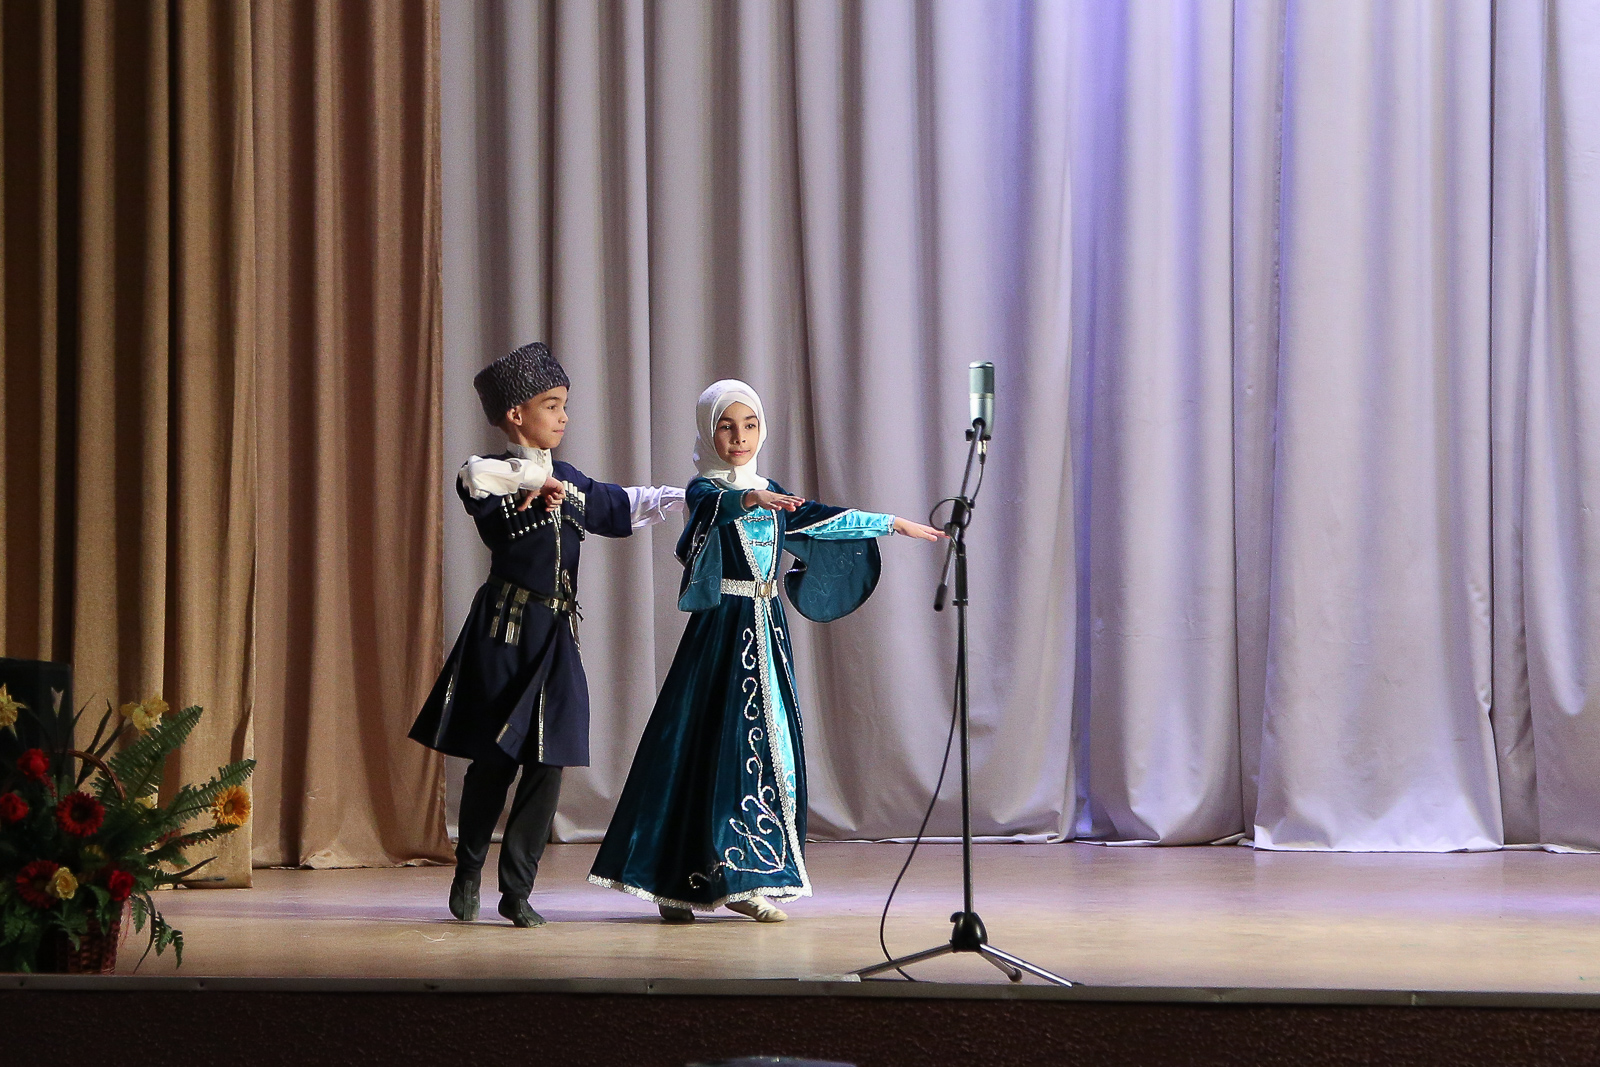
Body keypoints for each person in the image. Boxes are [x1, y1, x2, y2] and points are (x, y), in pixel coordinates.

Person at [588, 379, 943, 922]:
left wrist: (891, 524)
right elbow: (716, 507)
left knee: (763, 747)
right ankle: (678, 881)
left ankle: (745, 878)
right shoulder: (705, 490)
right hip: (720, 633)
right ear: (709, 433)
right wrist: (751, 498)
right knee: (702, 748)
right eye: (726, 427)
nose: (739, 437)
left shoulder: (772, 490)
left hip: (766, 628)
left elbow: (825, 518)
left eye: (749, 425)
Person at [410, 342, 683, 927]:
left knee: (548, 760)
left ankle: (516, 890)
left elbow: (623, 504)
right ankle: (468, 869)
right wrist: (538, 480)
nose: (563, 417)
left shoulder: (571, 480)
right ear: (516, 414)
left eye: (563, 405)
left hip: (556, 636)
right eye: (551, 405)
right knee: (495, 759)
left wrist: (702, 495)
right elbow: (478, 481)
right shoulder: (489, 475)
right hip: (504, 634)